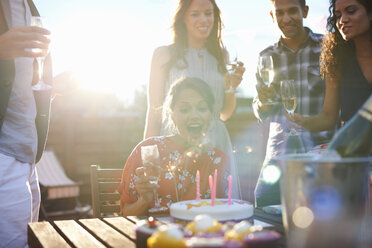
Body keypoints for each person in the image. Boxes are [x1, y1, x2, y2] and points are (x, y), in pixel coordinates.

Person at [143, 0, 245, 199]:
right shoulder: (163, 55)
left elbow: (224, 114)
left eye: (208, 13)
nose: (204, 20)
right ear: (183, 18)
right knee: (175, 207)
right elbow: (154, 111)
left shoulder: (222, 56)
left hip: (216, 142)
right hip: (175, 141)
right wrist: (147, 158)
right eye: (195, 14)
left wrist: (231, 86)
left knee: (217, 210)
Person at [252, 0, 334, 207]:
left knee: (320, 218)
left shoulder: (328, 48)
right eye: (280, 13)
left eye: (292, 11)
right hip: (280, 154)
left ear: (304, 11)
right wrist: (262, 102)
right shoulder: (266, 56)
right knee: (263, 207)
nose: (286, 19)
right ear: (272, 15)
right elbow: (261, 111)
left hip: (321, 152)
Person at [118, 77, 231, 216]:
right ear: (171, 114)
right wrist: (144, 201)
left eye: (202, 108)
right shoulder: (148, 150)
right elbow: (125, 213)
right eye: (184, 110)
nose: (194, 116)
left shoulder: (219, 160)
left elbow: (227, 214)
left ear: (211, 113)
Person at [0, 1, 52, 247]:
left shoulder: (28, 6)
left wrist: (54, 89)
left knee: (31, 242)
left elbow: (20, 84)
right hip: (3, 152)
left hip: (28, 154)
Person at [290, 0, 372, 131]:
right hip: (352, 147)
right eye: (338, 15)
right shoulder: (336, 59)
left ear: (370, 13)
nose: (342, 20)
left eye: (351, 11)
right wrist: (301, 122)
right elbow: (328, 118)